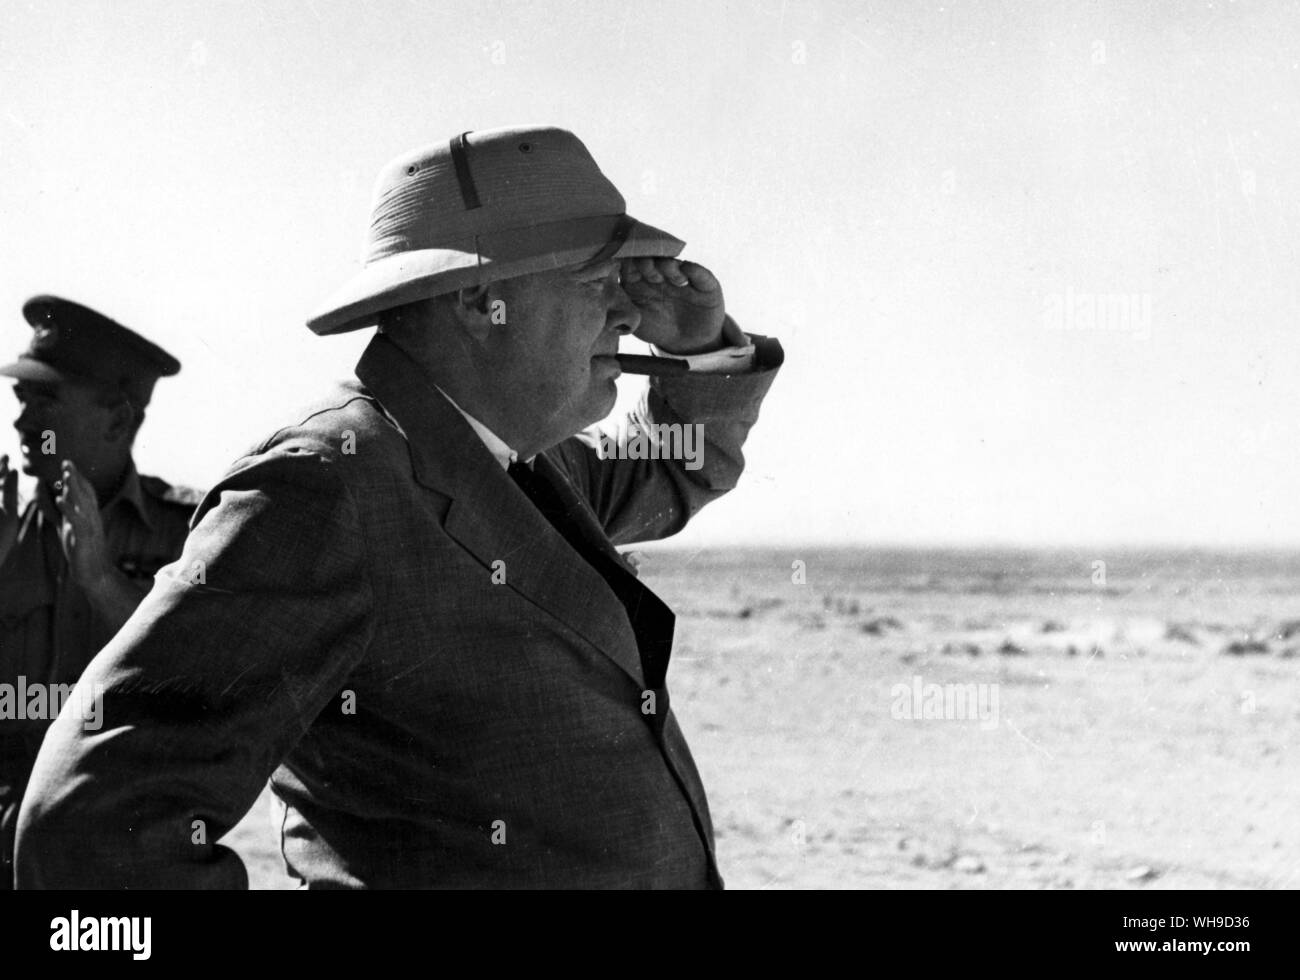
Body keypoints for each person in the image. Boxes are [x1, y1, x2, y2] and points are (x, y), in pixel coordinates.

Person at [16, 125, 783, 889]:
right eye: (597, 283)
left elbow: (675, 469)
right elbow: (91, 827)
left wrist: (701, 349)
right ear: (484, 300)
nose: (627, 316)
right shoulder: (322, 491)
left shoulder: (515, 459)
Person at [0, 296, 197, 888]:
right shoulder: (7, 529)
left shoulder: (191, 534)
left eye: (46, 400)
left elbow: (204, 681)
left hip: (127, 860)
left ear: (116, 418)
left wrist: (103, 582)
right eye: (21, 398)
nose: (21, 422)